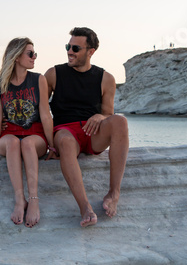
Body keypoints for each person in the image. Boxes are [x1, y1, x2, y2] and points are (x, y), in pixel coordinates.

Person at [45, 27, 129, 227]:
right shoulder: (53, 74)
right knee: (65, 141)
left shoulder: (106, 78)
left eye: (75, 48)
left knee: (121, 121)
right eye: (68, 46)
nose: (69, 51)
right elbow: (40, 110)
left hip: (92, 133)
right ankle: (85, 207)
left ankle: (113, 193)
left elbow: (109, 113)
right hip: (65, 131)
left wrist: (100, 116)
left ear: (90, 52)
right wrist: (47, 143)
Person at [0, 37, 55, 228]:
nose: (34, 57)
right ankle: (20, 200)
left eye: (35, 53)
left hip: (35, 134)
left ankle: (33, 199)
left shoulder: (38, 79)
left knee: (26, 144)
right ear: (17, 56)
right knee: (13, 143)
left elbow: (45, 115)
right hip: (8, 134)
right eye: (30, 53)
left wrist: (52, 145)